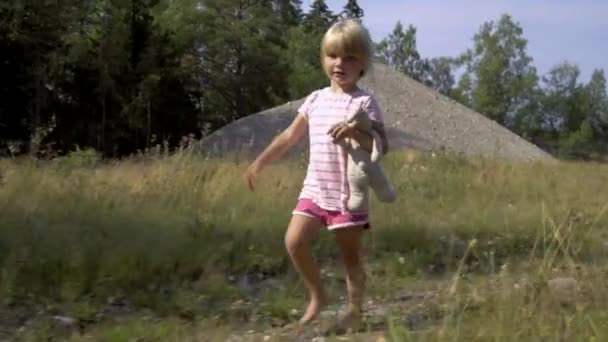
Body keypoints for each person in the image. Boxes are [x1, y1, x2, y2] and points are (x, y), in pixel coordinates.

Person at [243, 19, 388, 333]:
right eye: (333, 55)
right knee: (293, 241)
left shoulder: (364, 103)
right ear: (323, 58)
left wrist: (355, 130)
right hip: (315, 190)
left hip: (347, 196)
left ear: (362, 64)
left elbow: (378, 144)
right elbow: (288, 137)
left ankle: (354, 312)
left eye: (350, 57)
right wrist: (260, 162)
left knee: (351, 258)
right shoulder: (315, 99)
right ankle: (317, 295)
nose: (340, 63)